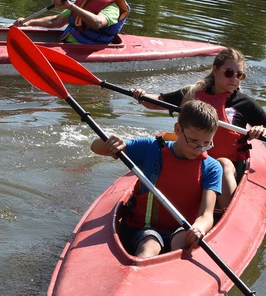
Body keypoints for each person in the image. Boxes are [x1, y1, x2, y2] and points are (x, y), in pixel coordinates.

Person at [132, 47, 266, 209]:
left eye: (240, 75)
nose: (235, 79)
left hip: (227, 164)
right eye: (229, 73)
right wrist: (141, 96)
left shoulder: (245, 104)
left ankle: (225, 215)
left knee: (221, 165)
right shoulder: (193, 93)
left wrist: (265, 131)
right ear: (215, 70)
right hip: (193, 156)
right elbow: (159, 101)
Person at [91, 100, 223, 258]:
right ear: (178, 129)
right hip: (144, 229)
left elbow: (206, 215)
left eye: (207, 143)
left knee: (179, 243)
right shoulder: (150, 148)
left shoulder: (212, 168)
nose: (199, 149)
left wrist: (199, 228)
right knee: (149, 246)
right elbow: (96, 148)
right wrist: (109, 142)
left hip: (183, 230)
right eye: (193, 142)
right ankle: (137, 276)